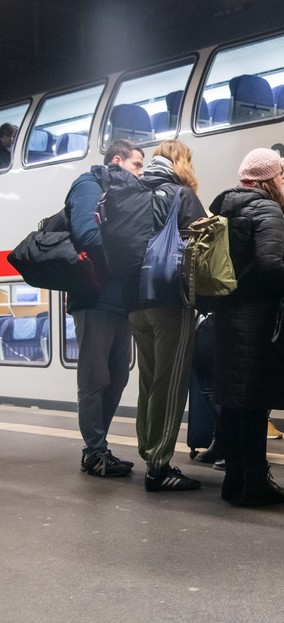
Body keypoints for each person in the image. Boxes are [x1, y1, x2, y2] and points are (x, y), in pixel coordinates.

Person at [209, 148, 284, 506]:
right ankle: (255, 483)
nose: (283, 181)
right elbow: (268, 263)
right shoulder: (266, 208)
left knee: (234, 405)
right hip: (258, 321)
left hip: (228, 317)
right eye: (281, 174)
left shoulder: (224, 207)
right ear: (269, 179)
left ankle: (234, 481)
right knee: (255, 405)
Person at [129, 139, 207, 492]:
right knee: (170, 383)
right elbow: (205, 243)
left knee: (148, 379)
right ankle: (159, 466)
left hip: (134, 302)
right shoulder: (180, 194)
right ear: (182, 163)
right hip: (169, 300)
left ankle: (148, 449)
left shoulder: (133, 192)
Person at [67, 139, 144, 477]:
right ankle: (94, 451)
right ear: (117, 160)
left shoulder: (126, 197)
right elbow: (85, 233)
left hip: (119, 301)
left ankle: (100, 446)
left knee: (119, 376)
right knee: (95, 377)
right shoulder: (88, 185)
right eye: (137, 165)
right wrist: (127, 252)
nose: (142, 172)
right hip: (94, 297)